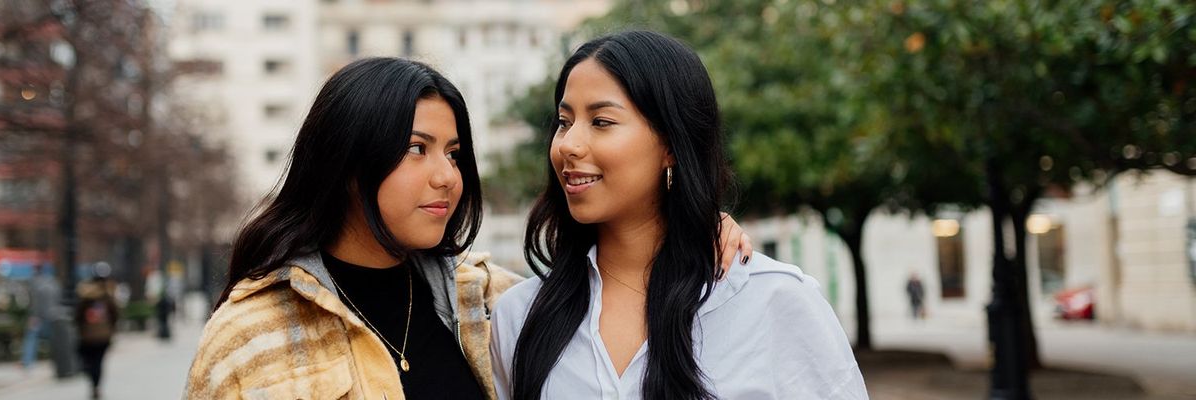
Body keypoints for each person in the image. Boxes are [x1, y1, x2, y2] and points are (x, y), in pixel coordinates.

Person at [184, 57, 753, 399]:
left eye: (454, 154)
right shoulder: (250, 333)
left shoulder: (487, 302)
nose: (446, 178)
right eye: (416, 149)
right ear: (347, 162)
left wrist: (700, 225)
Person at [490, 31, 867, 399]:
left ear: (670, 145)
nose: (568, 145)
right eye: (564, 121)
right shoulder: (519, 316)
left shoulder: (774, 300)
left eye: (601, 122)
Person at [75, 266, 118, 400]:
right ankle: (96, 385)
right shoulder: (108, 295)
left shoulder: (86, 296)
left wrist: (80, 329)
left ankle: (93, 383)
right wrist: (111, 329)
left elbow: (78, 315)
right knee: (98, 362)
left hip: (87, 336)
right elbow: (115, 314)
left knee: (88, 361)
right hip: (103, 336)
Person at [21, 263, 59, 371]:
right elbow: (58, 297)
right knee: (53, 339)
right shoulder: (52, 281)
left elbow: (34, 302)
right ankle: (56, 361)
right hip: (53, 315)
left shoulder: (34, 283)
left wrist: (34, 316)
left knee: (31, 338)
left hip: (39, 316)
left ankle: (27, 362)